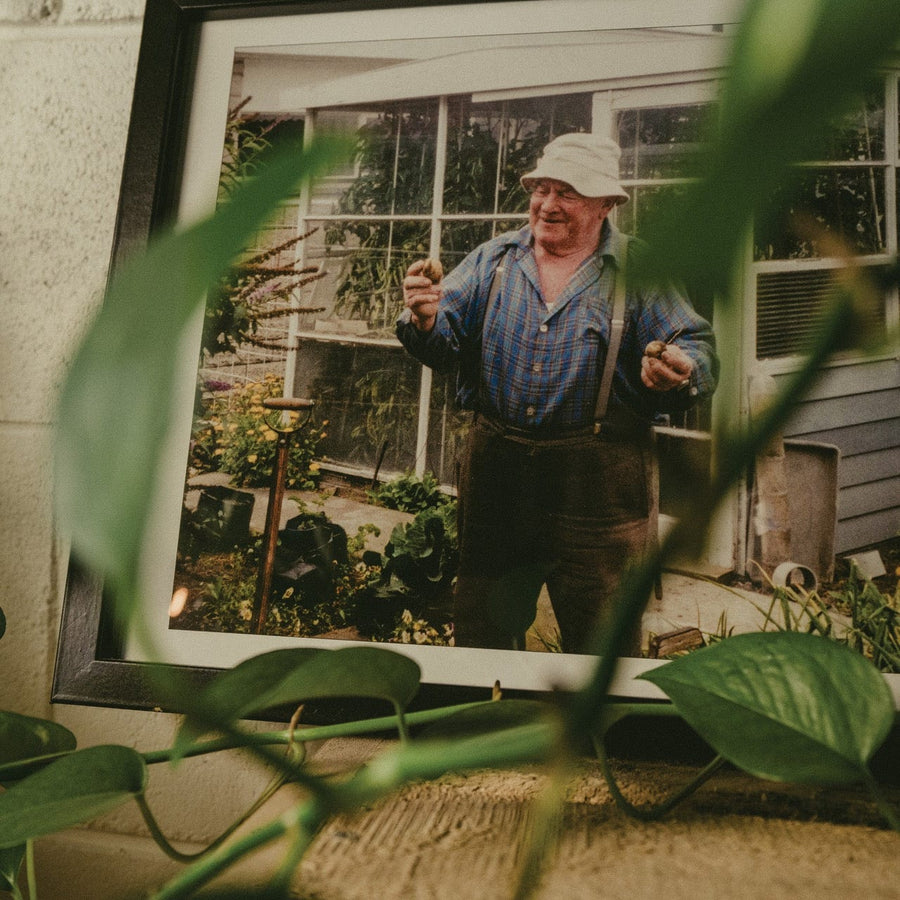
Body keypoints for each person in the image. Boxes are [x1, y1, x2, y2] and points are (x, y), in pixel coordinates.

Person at [396, 133, 718, 655]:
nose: (547, 204)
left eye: (567, 192)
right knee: (484, 632)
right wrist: (426, 318)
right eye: (541, 189)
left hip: (597, 486)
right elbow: (442, 339)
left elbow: (695, 346)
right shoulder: (494, 259)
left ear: (605, 204)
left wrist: (681, 370)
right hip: (497, 474)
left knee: (602, 641)